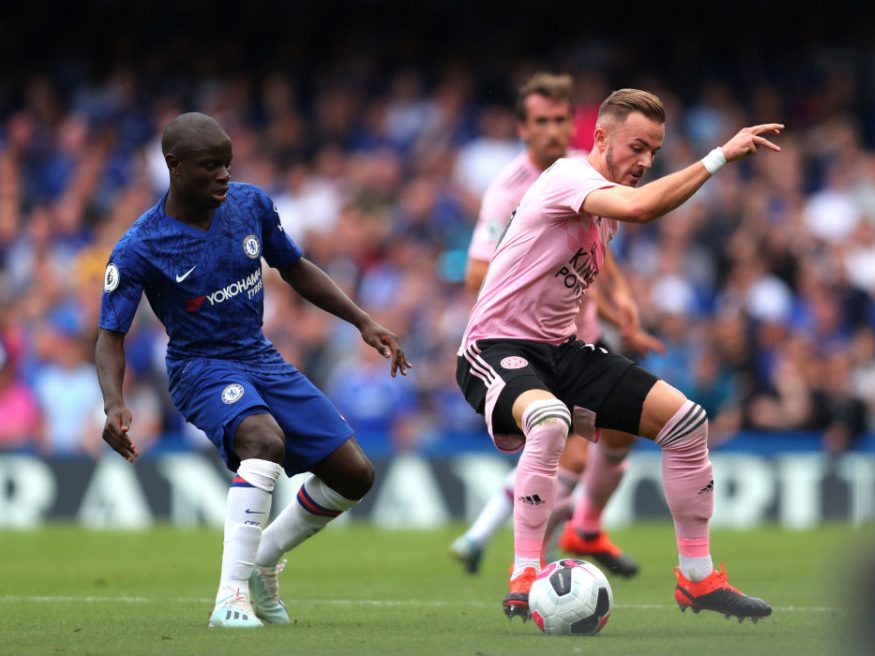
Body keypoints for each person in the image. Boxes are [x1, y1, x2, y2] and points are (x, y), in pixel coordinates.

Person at [456, 88, 781, 621]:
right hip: (496, 345)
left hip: (562, 352)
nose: (646, 161)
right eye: (637, 147)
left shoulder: (598, 205)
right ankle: (525, 572)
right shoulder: (567, 176)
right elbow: (643, 208)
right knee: (550, 418)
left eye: (654, 150)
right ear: (601, 137)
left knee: (686, 422)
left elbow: (582, 270)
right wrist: (719, 155)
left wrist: (623, 314)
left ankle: (697, 580)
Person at [95, 112, 411, 629]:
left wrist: (362, 321)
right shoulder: (139, 246)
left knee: (355, 475)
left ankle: (262, 560)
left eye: (227, 164)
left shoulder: (250, 204)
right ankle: (230, 598)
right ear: (173, 166)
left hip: (259, 355)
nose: (223, 175)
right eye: (210, 166)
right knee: (264, 440)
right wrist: (114, 403)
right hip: (201, 367)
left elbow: (295, 266)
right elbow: (110, 336)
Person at [449, 73, 664, 579]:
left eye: (561, 120)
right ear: (522, 129)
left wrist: (621, 307)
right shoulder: (509, 192)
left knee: (618, 435)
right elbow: (478, 273)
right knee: (561, 446)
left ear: (579, 125)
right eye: (540, 122)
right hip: (524, 342)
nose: (552, 131)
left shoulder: (594, 173)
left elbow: (596, 250)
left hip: (579, 339)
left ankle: (574, 531)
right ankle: (528, 556)